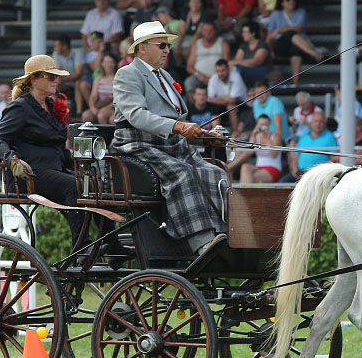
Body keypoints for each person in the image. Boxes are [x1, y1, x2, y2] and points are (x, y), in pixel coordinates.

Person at [111, 21, 228, 253]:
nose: (167, 49)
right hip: (137, 144)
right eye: (162, 45)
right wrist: (179, 127)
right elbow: (136, 115)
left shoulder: (163, 75)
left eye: (168, 45)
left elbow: (180, 116)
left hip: (170, 143)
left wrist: (206, 135)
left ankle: (223, 235)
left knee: (215, 173)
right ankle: (201, 243)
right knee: (182, 174)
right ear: (142, 48)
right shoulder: (127, 74)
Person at [0, 55, 89, 243]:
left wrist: (82, 166)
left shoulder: (51, 106)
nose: (56, 80)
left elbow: (58, 148)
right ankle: (83, 246)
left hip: (52, 171)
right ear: (33, 80)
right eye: (50, 76)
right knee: (74, 186)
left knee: (94, 185)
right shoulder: (20, 108)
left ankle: (110, 243)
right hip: (27, 175)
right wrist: (11, 159)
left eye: (56, 76)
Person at [266, 0, 322, 82]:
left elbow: (298, 28)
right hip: (281, 46)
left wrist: (279, 30)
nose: (292, 2)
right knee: (289, 33)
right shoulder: (275, 14)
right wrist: (268, 50)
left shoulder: (301, 12)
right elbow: (270, 35)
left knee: (295, 48)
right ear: (282, 3)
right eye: (288, 0)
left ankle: (295, 80)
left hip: (298, 45)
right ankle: (313, 53)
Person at [236, 114, 284, 183]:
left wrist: (268, 138)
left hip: (273, 168)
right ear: (257, 124)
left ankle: (242, 193)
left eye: (265, 124)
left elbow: (274, 155)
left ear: (269, 125)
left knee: (250, 178)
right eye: (261, 124)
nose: (263, 126)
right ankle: (244, 192)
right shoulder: (256, 136)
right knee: (245, 166)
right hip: (259, 167)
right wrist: (253, 134)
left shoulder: (275, 136)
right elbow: (249, 152)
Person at [290, 111, 338, 178]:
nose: (318, 124)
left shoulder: (330, 137)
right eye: (316, 121)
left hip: (319, 174)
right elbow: (295, 157)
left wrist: (321, 169)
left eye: (321, 121)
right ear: (311, 123)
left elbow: (334, 159)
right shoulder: (304, 137)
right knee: (281, 184)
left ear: (325, 123)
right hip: (300, 173)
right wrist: (294, 169)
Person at [185, 20, 229, 91]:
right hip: (199, 77)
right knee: (189, 82)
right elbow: (189, 66)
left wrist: (216, 76)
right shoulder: (197, 44)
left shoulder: (222, 43)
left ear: (215, 31)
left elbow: (226, 63)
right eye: (206, 30)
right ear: (202, 32)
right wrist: (200, 76)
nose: (208, 33)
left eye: (211, 30)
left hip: (219, 76)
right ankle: (194, 102)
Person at [207, 58, 248, 134]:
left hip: (242, 104)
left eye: (223, 70)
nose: (220, 74)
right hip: (223, 105)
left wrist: (219, 98)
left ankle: (235, 133)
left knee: (231, 106)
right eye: (218, 71)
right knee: (214, 109)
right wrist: (224, 97)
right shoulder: (214, 78)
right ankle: (218, 135)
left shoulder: (235, 76)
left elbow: (233, 100)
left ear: (228, 69)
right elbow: (209, 99)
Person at [229, 21, 270, 87]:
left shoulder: (262, 44)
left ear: (253, 33)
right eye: (242, 32)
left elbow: (256, 62)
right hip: (247, 73)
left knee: (238, 69)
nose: (242, 34)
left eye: (245, 32)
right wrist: (237, 63)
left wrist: (238, 62)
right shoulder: (244, 45)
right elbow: (235, 60)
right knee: (236, 69)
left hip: (263, 72)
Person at [81, 52, 118, 124]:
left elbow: (118, 98)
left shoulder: (118, 78)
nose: (109, 65)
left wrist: (106, 108)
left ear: (115, 63)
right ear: (102, 63)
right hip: (100, 104)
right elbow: (93, 96)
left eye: (111, 62)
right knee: (86, 115)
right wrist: (92, 107)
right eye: (107, 62)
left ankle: (104, 135)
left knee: (102, 115)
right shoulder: (98, 78)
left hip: (113, 106)